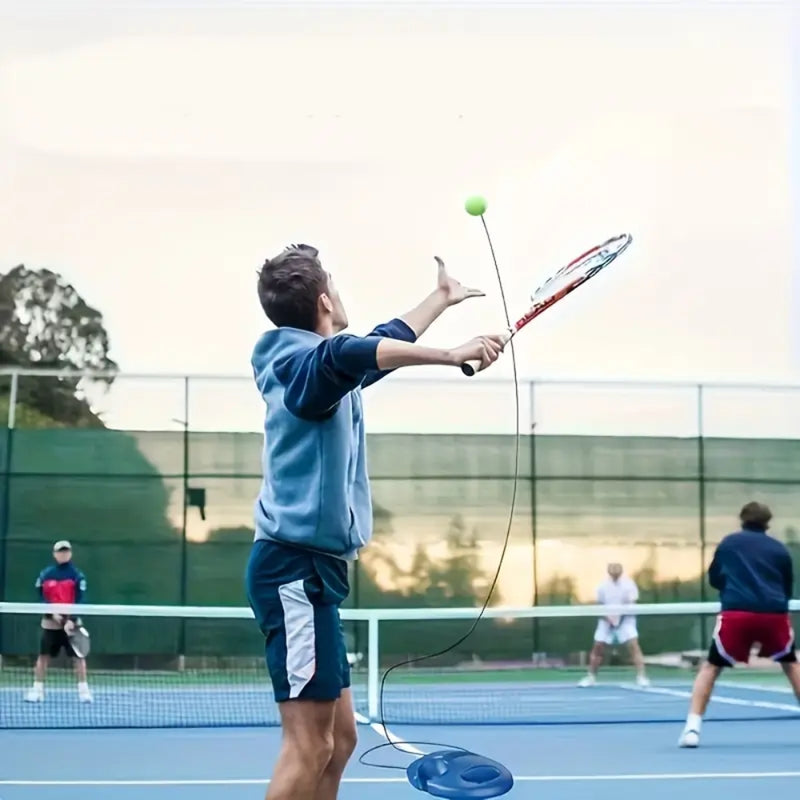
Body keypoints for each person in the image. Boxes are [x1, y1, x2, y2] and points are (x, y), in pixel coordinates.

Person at [244, 244, 504, 800]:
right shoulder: (303, 367)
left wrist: (440, 299)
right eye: (335, 286)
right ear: (323, 301)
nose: (341, 295)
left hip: (316, 574)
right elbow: (348, 354)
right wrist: (450, 353)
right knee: (309, 745)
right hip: (293, 571)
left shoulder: (319, 368)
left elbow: (368, 348)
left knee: (340, 738)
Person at [679, 501, 800, 748]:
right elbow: (787, 585)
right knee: (791, 665)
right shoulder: (779, 549)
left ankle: (692, 729)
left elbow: (715, 578)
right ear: (767, 522)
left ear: (742, 519)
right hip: (773, 614)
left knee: (710, 668)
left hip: (737, 614)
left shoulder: (729, 544)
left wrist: (735, 592)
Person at [24, 540, 92, 703]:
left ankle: (84, 692)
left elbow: (81, 599)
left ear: (70, 553)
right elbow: (41, 597)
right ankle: (37, 690)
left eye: (66, 551)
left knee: (79, 657)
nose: (63, 554)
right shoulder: (45, 574)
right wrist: (52, 614)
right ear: (54, 554)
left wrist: (72, 619)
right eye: (60, 551)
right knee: (43, 656)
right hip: (50, 622)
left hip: (72, 623)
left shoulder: (77, 575)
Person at [578, 562, 650, 688]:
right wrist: (609, 619)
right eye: (612, 569)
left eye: (617, 569)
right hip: (606, 621)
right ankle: (591, 677)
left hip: (626, 620)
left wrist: (619, 620)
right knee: (597, 647)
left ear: (621, 571)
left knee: (634, 646)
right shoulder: (602, 586)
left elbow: (631, 604)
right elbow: (599, 605)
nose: (615, 572)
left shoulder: (629, 584)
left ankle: (641, 677)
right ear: (609, 572)